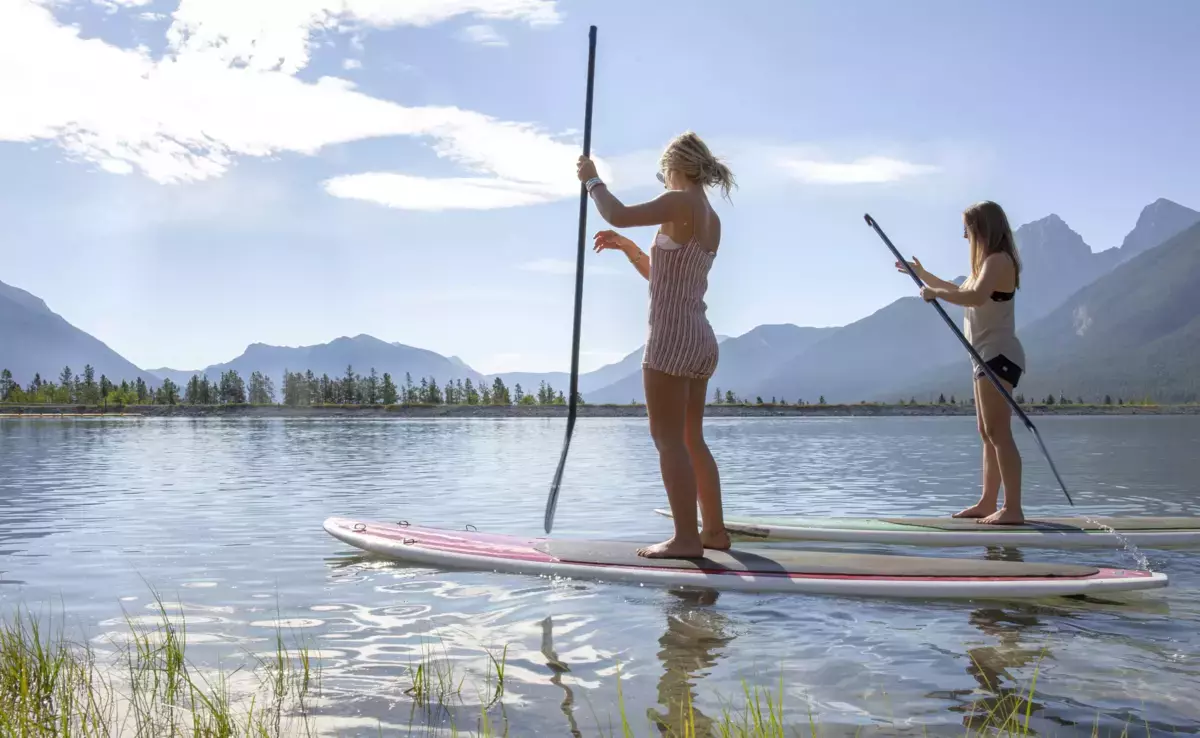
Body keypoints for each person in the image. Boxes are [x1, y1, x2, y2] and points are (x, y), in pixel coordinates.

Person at [575, 131, 734, 558]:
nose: (663, 179)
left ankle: (686, 540)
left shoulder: (680, 201)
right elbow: (668, 279)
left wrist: (592, 180)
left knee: (668, 441)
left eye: (663, 172)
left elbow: (618, 213)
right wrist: (631, 251)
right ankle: (714, 533)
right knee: (691, 438)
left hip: (670, 339)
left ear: (675, 167)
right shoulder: (709, 216)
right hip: (700, 338)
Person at [896, 200, 1027, 525]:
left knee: (999, 433)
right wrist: (924, 276)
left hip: (999, 354)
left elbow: (974, 298)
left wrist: (935, 294)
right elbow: (963, 290)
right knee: (987, 433)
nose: (964, 236)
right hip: (984, 356)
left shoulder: (998, 260)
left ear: (983, 228)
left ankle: (1013, 509)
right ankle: (987, 502)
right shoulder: (986, 266)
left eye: (967, 229)